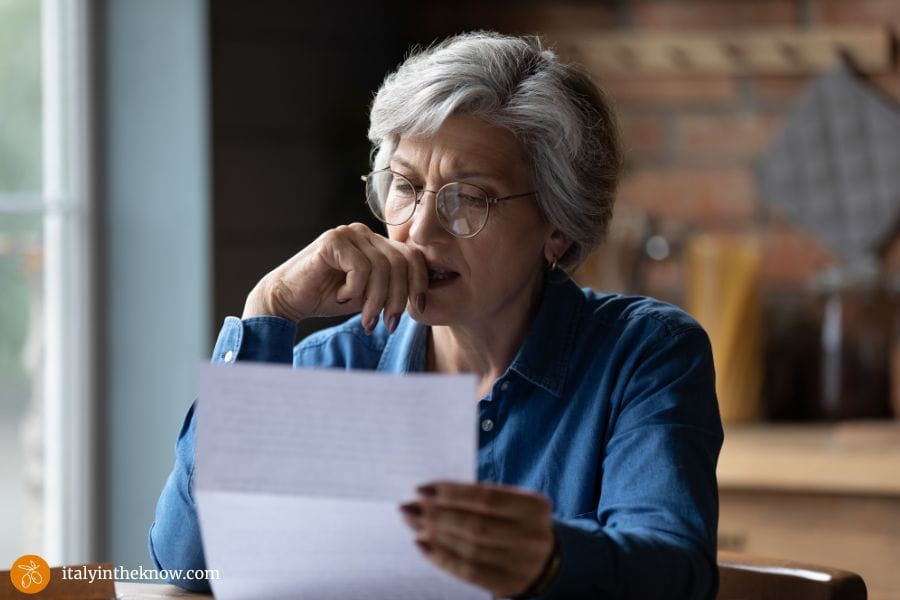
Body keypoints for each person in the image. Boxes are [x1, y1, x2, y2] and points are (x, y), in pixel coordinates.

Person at [149, 31, 722, 599]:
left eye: (469, 198)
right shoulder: (336, 364)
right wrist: (267, 310)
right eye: (404, 186)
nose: (420, 231)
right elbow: (189, 564)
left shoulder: (645, 354)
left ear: (558, 224)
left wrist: (549, 559)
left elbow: (675, 573)